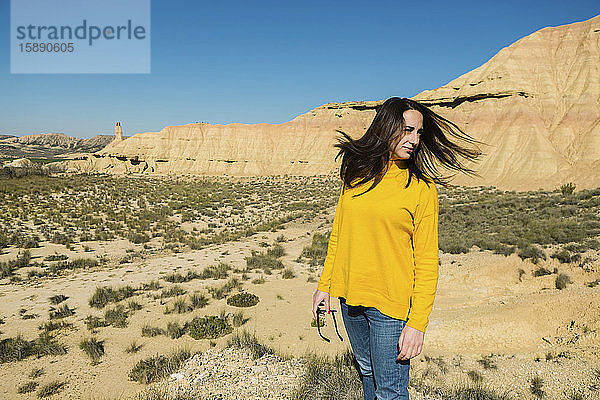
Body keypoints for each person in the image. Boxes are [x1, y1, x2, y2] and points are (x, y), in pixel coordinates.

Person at [312, 97, 485, 400]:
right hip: (350, 299)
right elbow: (339, 234)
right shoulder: (355, 174)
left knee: (390, 391)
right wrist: (324, 286)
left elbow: (428, 260)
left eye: (418, 133)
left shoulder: (421, 187)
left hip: (390, 308)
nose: (415, 140)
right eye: (407, 130)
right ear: (386, 127)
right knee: (366, 372)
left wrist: (417, 323)